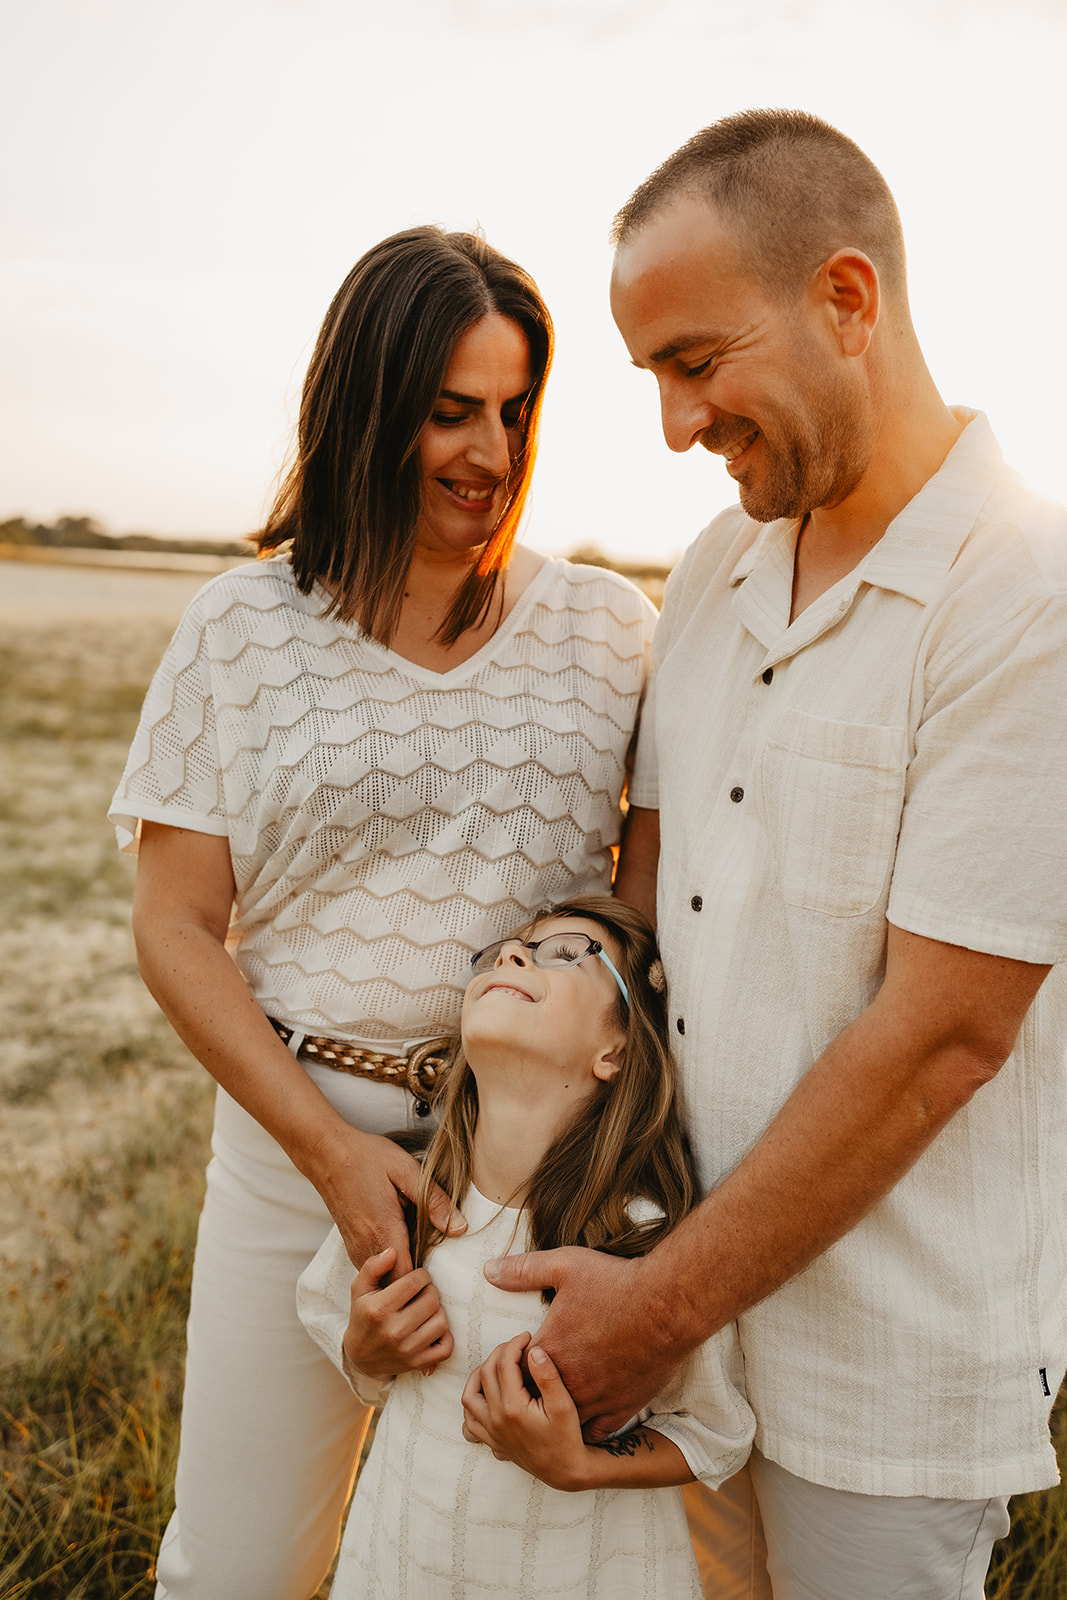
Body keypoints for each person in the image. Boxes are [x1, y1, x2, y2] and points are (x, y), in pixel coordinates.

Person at [478, 111, 1067, 1599]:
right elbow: (646, 900)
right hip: (665, 1344)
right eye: (651, 378)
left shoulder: (1024, 597)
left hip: (880, 1381)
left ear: (846, 299)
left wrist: (647, 1314)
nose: (674, 426)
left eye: (694, 363)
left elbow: (943, 1036)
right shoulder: (713, 568)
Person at [108, 227, 658, 1600]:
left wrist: (584, 1156)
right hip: (293, 1154)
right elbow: (176, 929)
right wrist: (333, 1162)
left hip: (524, 1182)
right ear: (366, 405)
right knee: (238, 1568)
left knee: (481, 1564)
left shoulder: (603, 628)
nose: (487, 449)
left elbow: (647, 901)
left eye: (513, 410)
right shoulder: (240, 629)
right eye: (446, 410)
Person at [297, 894, 755, 1598]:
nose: (512, 954)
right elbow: (347, 1343)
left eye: (566, 953)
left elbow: (710, 1432)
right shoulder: (402, 1197)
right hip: (402, 1564)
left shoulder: (641, 1240)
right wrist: (364, 1351)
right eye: (505, 951)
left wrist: (581, 1462)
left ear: (618, 1047)